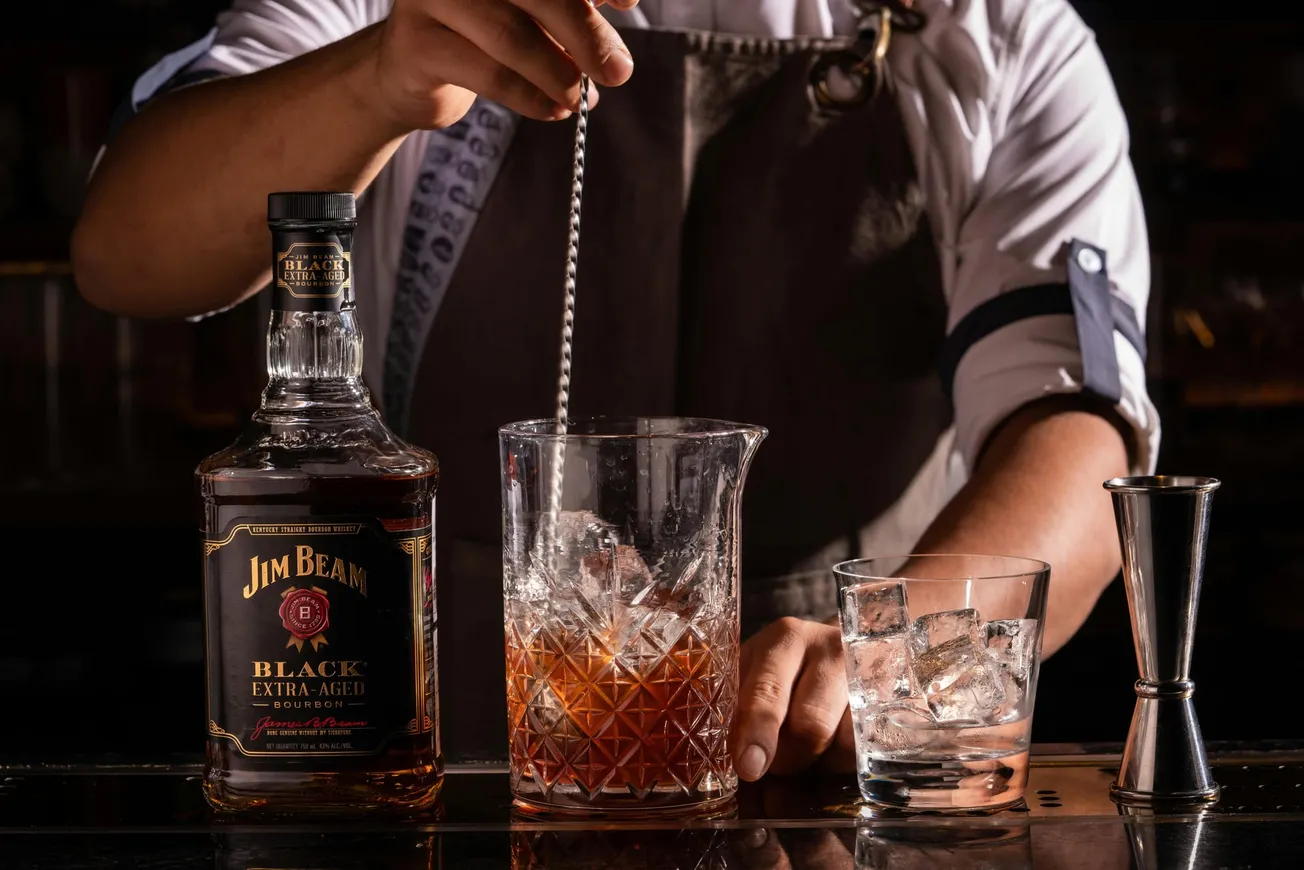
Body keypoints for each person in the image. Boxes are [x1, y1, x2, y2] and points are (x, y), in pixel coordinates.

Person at [71, 0, 1156, 779]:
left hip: (825, 777)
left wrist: (889, 646)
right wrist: (377, 75)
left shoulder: (1001, 35)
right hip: (457, 780)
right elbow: (127, 252)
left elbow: (1075, 436)